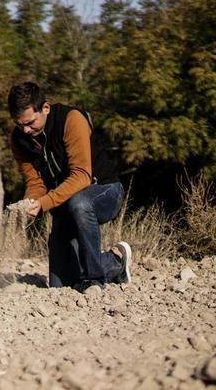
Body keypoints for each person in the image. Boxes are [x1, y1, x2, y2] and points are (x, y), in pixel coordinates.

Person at [7, 81, 131, 290]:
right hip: (66, 205)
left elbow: (82, 176)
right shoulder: (19, 139)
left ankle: (95, 280)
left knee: (80, 203)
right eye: (19, 124)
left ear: (45, 108)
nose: (25, 130)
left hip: (105, 191)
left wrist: (45, 203)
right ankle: (115, 263)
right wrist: (31, 202)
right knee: (61, 284)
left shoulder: (71, 119)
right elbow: (35, 182)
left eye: (30, 123)